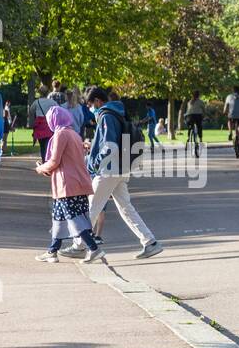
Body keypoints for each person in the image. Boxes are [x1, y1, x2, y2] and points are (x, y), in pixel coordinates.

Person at [61, 86, 163, 260]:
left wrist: (94, 161)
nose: (90, 109)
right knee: (125, 208)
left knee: (91, 206)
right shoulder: (117, 112)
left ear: (98, 101)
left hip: (109, 169)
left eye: (90, 105)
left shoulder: (106, 115)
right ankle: (150, 241)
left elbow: (110, 145)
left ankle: (79, 245)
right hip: (121, 168)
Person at [33, 105, 102, 263]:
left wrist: (40, 168)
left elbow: (55, 161)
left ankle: (94, 249)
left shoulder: (60, 134)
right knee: (59, 218)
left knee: (74, 219)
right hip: (76, 183)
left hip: (66, 185)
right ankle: (52, 251)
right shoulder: (74, 134)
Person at [29, 85, 58, 162]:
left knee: (42, 145)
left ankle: (44, 160)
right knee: (49, 143)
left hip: (40, 125)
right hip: (49, 124)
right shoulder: (52, 102)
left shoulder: (36, 102)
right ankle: (49, 160)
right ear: (48, 92)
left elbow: (31, 111)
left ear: (39, 93)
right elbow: (58, 110)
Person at [223, 85, 239, 157]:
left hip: (232, 115)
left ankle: (230, 132)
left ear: (233, 91)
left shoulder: (229, 97)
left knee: (229, 119)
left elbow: (225, 108)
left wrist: (224, 112)